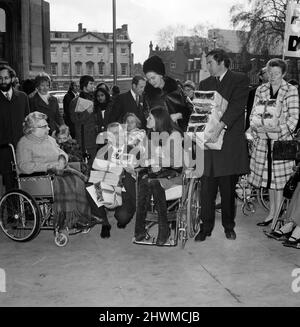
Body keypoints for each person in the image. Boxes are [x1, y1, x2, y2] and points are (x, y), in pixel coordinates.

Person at [194, 48, 250, 242]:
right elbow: (201, 111)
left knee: (227, 189)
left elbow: (236, 107)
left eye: (209, 62)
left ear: (221, 62)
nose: (206, 66)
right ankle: (205, 227)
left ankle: (228, 225)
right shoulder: (205, 83)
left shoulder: (239, 79)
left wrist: (220, 126)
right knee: (207, 189)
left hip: (228, 144)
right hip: (208, 144)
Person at [16, 112, 101, 232]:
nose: (49, 128)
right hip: (41, 178)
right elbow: (24, 166)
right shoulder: (24, 143)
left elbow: (62, 152)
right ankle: (73, 218)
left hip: (60, 170)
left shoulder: (49, 139)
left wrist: (62, 159)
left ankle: (89, 214)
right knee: (72, 181)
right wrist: (49, 166)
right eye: (44, 126)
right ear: (32, 129)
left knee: (90, 176)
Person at [248, 58, 299, 227]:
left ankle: (278, 216)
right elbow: (254, 112)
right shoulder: (261, 89)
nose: (273, 76)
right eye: (270, 73)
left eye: (277, 73)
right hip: (263, 141)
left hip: (282, 142)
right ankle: (271, 214)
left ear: (283, 74)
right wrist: (255, 126)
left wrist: (280, 130)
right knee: (269, 179)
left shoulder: (290, 90)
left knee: (280, 181)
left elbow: (294, 118)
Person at [134, 106, 183, 246]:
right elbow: (146, 157)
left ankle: (163, 228)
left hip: (173, 172)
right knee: (144, 181)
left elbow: (177, 162)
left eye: (150, 117)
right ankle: (140, 230)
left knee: (153, 182)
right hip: (157, 172)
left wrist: (157, 161)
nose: (147, 119)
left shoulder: (174, 135)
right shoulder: (152, 134)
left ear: (159, 119)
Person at [0, 64, 30, 192]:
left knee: (25, 181)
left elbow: (28, 121)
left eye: (6, 78)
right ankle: (13, 211)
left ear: (12, 79)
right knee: (9, 184)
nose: (3, 81)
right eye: (0, 78)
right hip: (3, 148)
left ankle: (27, 210)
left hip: (22, 146)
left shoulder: (22, 97)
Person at [142, 55, 191, 131]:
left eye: (153, 78)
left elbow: (188, 110)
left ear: (161, 74)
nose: (151, 82)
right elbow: (146, 116)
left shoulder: (176, 89)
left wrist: (178, 115)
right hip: (157, 135)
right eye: (148, 79)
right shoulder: (147, 94)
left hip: (178, 134)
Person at [69, 75, 97, 167]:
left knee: (95, 164)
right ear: (84, 85)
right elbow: (74, 119)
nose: (93, 86)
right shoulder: (75, 101)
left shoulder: (95, 99)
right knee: (85, 164)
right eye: (91, 84)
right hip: (84, 137)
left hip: (95, 136)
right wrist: (87, 112)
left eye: (93, 83)